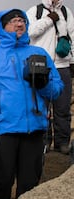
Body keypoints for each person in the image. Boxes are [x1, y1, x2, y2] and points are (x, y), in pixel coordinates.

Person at [0, 9, 64, 199]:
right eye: (13, 21)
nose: (19, 24)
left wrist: (43, 84)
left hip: (34, 130)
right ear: (3, 27)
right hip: (2, 130)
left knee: (30, 185)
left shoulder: (39, 54)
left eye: (22, 20)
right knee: (2, 182)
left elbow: (57, 89)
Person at [26, 0, 74, 154]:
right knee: (41, 107)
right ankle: (43, 143)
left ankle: (62, 143)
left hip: (62, 66)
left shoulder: (66, 12)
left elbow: (72, 38)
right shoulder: (35, 11)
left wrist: (72, 61)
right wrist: (49, 20)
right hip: (40, 66)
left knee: (63, 108)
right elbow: (30, 32)